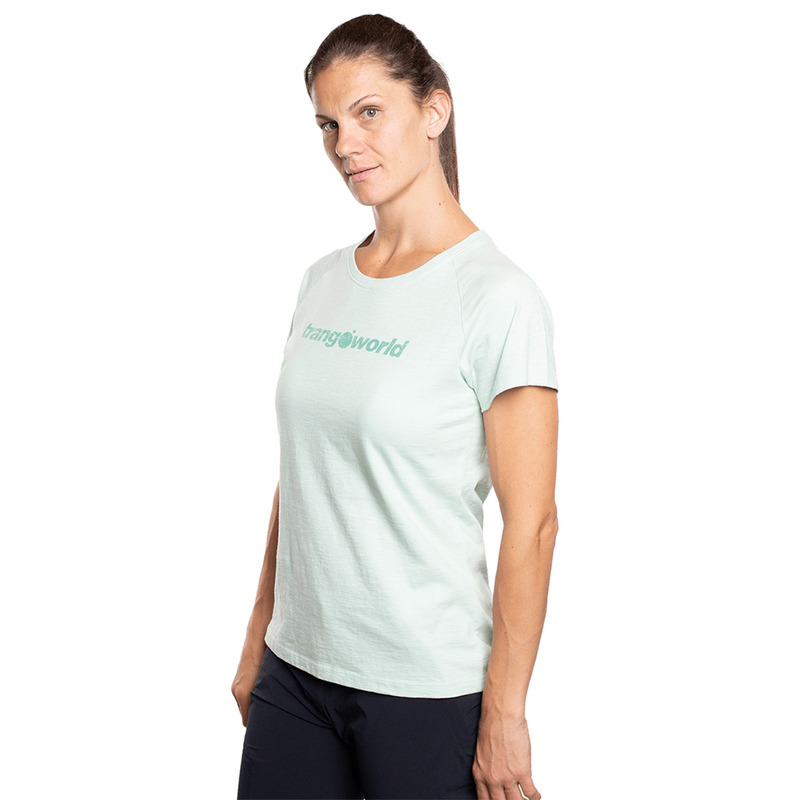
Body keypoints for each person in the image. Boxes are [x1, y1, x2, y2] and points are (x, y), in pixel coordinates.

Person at [231, 13, 559, 800]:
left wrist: (505, 712)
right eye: (328, 123)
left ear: (433, 111)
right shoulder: (322, 280)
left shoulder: (498, 298)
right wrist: (258, 635)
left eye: (369, 112)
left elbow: (533, 523)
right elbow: (303, 475)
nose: (346, 144)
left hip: (425, 691)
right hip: (295, 676)